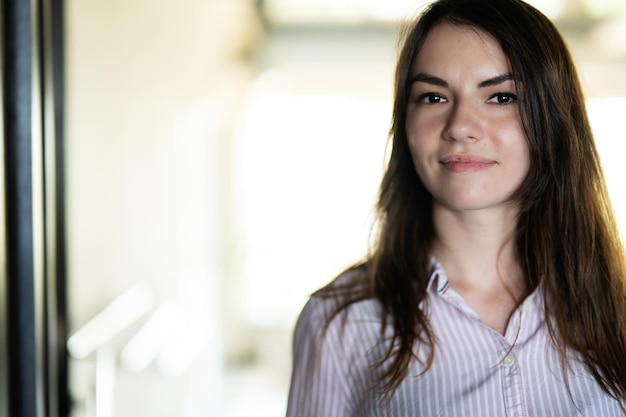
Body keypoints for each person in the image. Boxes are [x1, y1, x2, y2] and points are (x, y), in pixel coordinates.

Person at [285, 0, 626, 415]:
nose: (460, 125)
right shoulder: (339, 324)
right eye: (432, 97)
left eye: (501, 96)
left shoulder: (617, 307)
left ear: (554, 118)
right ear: (404, 125)